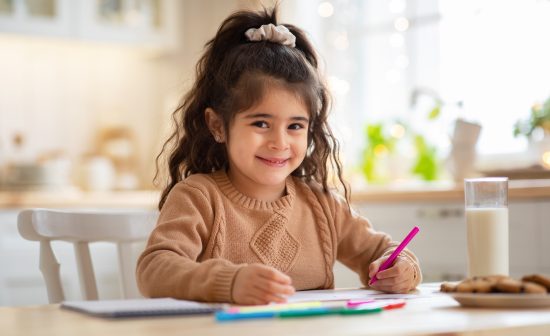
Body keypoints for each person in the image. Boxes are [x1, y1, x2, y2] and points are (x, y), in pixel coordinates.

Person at [136, 6, 421, 305]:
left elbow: (382, 251)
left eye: (295, 126)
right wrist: (228, 282)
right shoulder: (198, 197)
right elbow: (154, 270)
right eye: (261, 123)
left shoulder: (322, 205)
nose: (279, 142)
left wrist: (401, 268)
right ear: (217, 125)